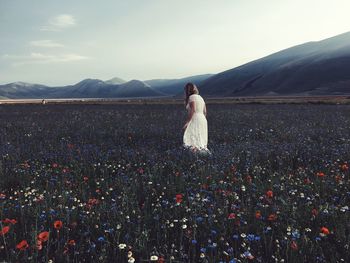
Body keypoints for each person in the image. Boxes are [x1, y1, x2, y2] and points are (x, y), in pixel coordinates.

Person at [183, 83, 210, 154]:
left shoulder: (192, 97)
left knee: (191, 137)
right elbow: (205, 111)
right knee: (200, 137)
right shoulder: (201, 98)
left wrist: (188, 122)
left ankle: (195, 155)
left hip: (195, 118)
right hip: (202, 119)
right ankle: (203, 155)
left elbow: (193, 110)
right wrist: (202, 119)